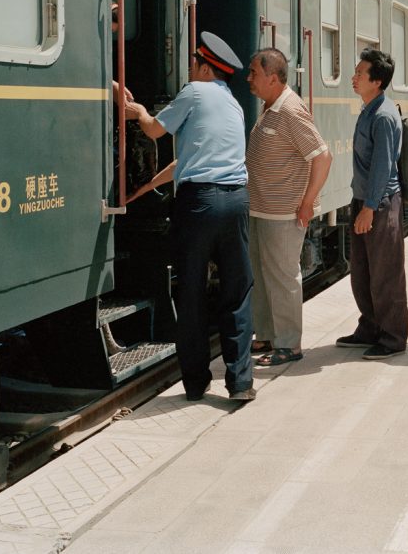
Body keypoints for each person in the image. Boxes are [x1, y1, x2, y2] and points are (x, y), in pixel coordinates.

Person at [125, 32, 255, 402]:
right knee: (236, 292)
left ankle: (196, 383)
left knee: (193, 293)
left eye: (193, 64)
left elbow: (153, 130)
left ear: (203, 66)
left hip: (198, 205)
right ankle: (241, 382)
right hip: (235, 203)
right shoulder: (233, 104)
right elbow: (189, 158)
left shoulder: (193, 92)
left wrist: (139, 113)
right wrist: (148, 186)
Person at [246, 48, 332, 367]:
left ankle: (289, 345)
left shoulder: (291, 111)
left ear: (273, 77)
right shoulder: (271, 107)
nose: (249, 79)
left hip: (283, 213)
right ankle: (267, 335)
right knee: (263, 274)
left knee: (282, 277)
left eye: (254, 73)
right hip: (261, 208)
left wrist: (308, 202)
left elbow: (322, 156)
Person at [336, 49, 408, 359]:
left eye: (360, 73)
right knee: (363, 272)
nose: (354, 77)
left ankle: (392, 337)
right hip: (364, 200)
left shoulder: (382, 115)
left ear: (377, 81)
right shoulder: (369, 108)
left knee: (385, 274)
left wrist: (368, 207)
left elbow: (382, 166)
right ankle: (370, 327)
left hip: (379, 205)